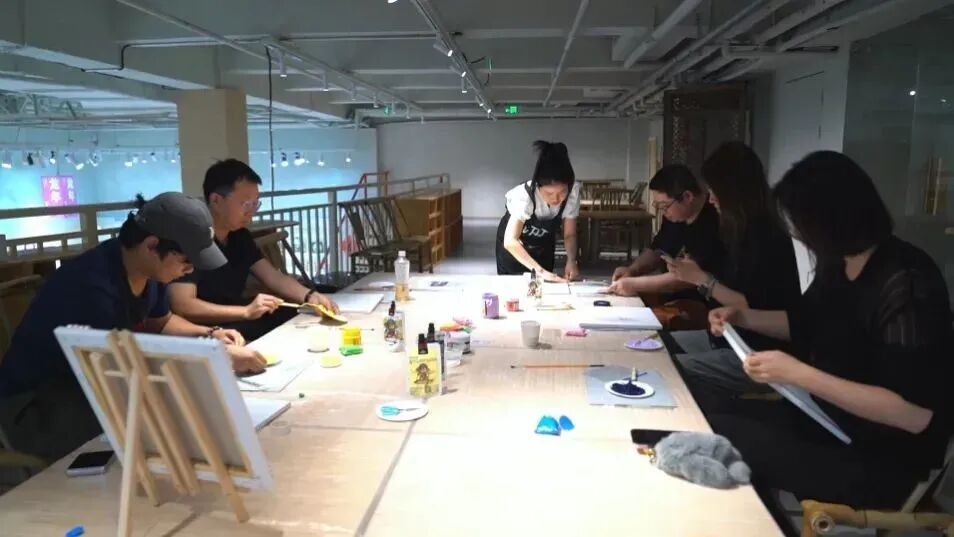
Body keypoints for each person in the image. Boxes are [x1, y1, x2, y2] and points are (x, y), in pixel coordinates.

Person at [707, 151, 952, 522]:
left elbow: (913, 414)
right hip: (825, 422)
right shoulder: (839, 264)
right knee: (709, 414)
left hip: (880, 458)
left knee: (722, 438)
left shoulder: (906, 280)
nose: (797, 234)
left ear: (831, 221)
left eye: (801, 224)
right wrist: (741, 317)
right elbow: (803, 323)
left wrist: (798, 374)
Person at [0, 192, 267, 462]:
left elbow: (161, 321)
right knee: (159, 432)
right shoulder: (92, 287)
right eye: (187, 261)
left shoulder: (148, 272)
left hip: (94, 384)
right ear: (151, 246)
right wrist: (212, 357)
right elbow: (117, 369)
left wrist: (210, 335)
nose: (189, 271)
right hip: (35, 405)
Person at [661, 142, 801, 407]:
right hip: (730, 337)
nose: (711, 198)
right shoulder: (739, 229)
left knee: (666, 371)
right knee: (656, 346)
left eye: (714, 190)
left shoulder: (765, 237)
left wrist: (702, 279)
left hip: (753, 351)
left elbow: (748, 305)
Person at [169, 159, 338, 342]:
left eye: (255, 204)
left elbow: (273, 277)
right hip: (206, 330)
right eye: (246, 204)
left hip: (238, 316)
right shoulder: (190, 238)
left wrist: (309, 295)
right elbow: (183, 305)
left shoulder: (239, 235)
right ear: (216, 200)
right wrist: (246, 311)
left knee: (301, 317)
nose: (252, 211)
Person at [608, 164, 724, 297]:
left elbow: (690, 277)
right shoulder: (675, 215)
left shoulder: (714, 221)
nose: (663, 212)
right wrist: (632, 270)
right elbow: (658, 248)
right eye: (658, 206)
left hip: (704, 301)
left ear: (687, 197)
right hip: (672, 295)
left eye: (664, 206)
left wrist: (634, 284)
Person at [495, 141, 580, 282]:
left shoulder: (573, 193)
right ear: (538, 186)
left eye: (562, 192)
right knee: (513, 286)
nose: (556, 199)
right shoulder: (525, 196)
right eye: (549, 193)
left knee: (544, 287)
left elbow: (569, 234)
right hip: (514, 248)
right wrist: (540, 271)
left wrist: (571, 260)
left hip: (543, 247)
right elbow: (510, 241)